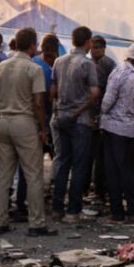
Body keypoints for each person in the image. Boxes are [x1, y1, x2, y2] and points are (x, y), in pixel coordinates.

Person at [0, 28, 54, 236]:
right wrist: (43, 128)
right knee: (33, 174)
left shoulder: (0, 66)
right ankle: (36, 223)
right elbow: (38, 102)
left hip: (4, 121)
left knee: (4, 175)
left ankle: (0, 221)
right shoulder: (33, 69)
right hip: (25, 123)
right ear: (33, 46)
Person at [51, 26, 100, 222]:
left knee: (62, 162)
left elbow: (52, 90)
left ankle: (57, 209)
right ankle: (73, 211)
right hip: (79, 121)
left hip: (60, 118)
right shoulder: (87, 65)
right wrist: (79, 111)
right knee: (79, 166)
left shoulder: (58, 61)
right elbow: (95, 93)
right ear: (87, 42)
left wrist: (58, 111)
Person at [101, 43, 134, 222]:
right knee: (130, 171)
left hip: (112, 129)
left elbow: (107, 101)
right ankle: (133, 211)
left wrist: (104, 115)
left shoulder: (117, 72)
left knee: (113, 171)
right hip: (130, 130)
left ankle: (117, 212)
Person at [88, 35, 117, 207]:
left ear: (104, 49)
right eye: (93, 47)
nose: (94, 50)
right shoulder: (88, 63)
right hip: (90, 113)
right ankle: (93, 188)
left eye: (98, 47)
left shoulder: (108, 65)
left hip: (101, 114)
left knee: (100, 155)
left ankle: (100, 190)